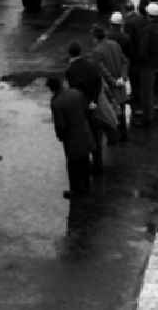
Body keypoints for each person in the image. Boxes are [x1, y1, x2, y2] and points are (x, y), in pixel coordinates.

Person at [46, 75, 94, 200]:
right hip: (84, 131)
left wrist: (60, 136)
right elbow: (86, 109)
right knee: (84, 159)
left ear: (51, 89)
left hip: (71, 137)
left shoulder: (56, 102)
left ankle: (75, 190)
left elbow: (60, 125)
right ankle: (86, 186)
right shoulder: (76, 93)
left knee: (73, 164)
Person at [65, 41, 105, 174]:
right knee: (96, 135)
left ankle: (85, 165)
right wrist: (94, 100)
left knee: (84, 137)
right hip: (93, 105)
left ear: (70, 53)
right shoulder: (91, 65)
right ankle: (98, 165)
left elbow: (73, 91)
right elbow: (99, 82)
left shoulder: (70, 70)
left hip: (81, 108)